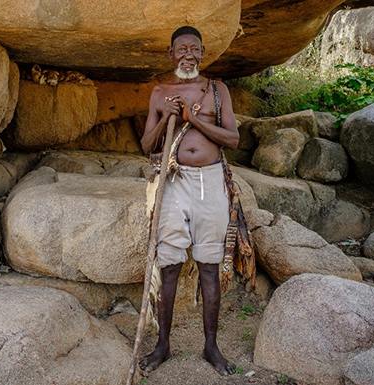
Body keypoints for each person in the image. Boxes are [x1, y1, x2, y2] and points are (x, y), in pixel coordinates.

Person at [139, 26, 239, 376]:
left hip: (209, 182)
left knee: (209, 266)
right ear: (171, 54)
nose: (188, 55)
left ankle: (211, 347)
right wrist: (167, 115)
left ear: (202, 52)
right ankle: (162, 345)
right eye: (181, 49)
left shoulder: (216, 89)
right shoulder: (159, 93)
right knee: (169, 264)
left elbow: (233, 138)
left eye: (194, 49)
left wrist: (193, 118)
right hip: (173, 181)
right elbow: (147, 145)